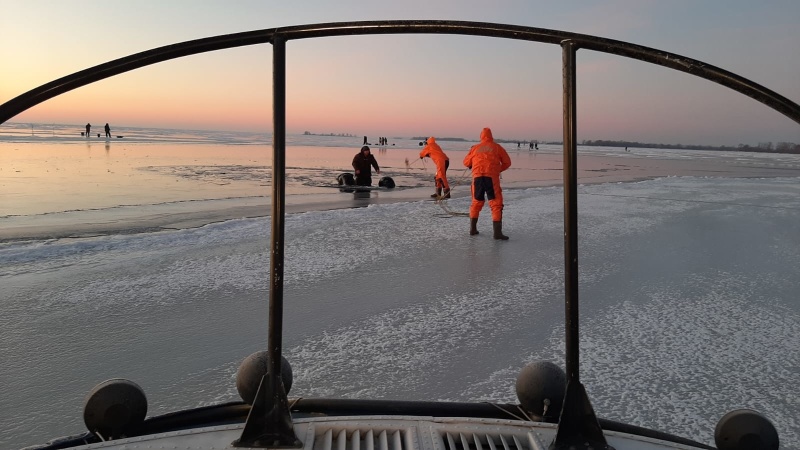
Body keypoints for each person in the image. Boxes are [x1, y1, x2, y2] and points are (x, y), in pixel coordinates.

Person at [463, 127, 512, 240]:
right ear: (491, 136)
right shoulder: (497, 147)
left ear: (481, 136)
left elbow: (466, 162)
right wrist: (497, 169)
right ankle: (497, 233)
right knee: (496, 204)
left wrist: (473, 163)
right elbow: (507, 162)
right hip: (491, 178)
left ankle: (473, 229)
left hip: (477, 178)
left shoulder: (475, 148)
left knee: (476, 202)